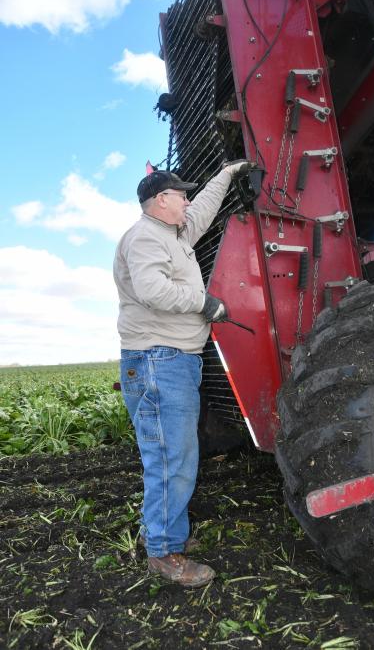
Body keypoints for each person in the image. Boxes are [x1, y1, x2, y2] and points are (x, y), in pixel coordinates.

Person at [113, 160, 251, 587]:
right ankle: (164, 554)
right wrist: (204, 302)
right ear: (160, 201)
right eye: (181, 195)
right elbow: (153, 290)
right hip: (160, 362)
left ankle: (158, 533)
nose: (187, 201)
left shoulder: (173, 234)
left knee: (171, 457)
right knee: (173, 459)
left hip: (170, 361)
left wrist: (227, 173)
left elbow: (203, 211)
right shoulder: (145, 238)